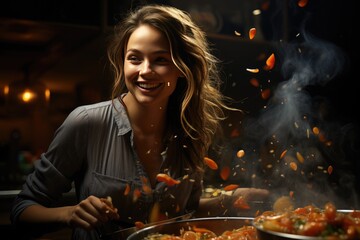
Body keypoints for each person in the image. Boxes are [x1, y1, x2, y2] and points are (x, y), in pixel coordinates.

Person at [10, 4, 269, 239]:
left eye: (160, 60)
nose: (145, 70)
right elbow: (22, 210)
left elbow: (182, 212)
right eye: (134, 58)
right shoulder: (87, 122)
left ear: (182, 68)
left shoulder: (190, 131)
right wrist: (68, 213)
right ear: (123, 62)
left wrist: (231, 199)